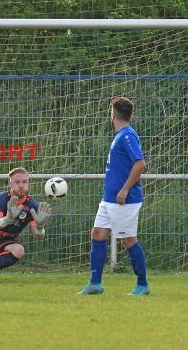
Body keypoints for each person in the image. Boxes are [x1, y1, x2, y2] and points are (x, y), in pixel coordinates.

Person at [79, 97, 149, 296]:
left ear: (113, 114)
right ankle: (95, 284)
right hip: (109, 199)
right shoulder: (120, 135)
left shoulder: (127, 135)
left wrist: (125, 189)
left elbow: (140, 164)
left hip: (124, 200)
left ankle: (142, 285)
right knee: (98, 234)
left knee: (128, 240)